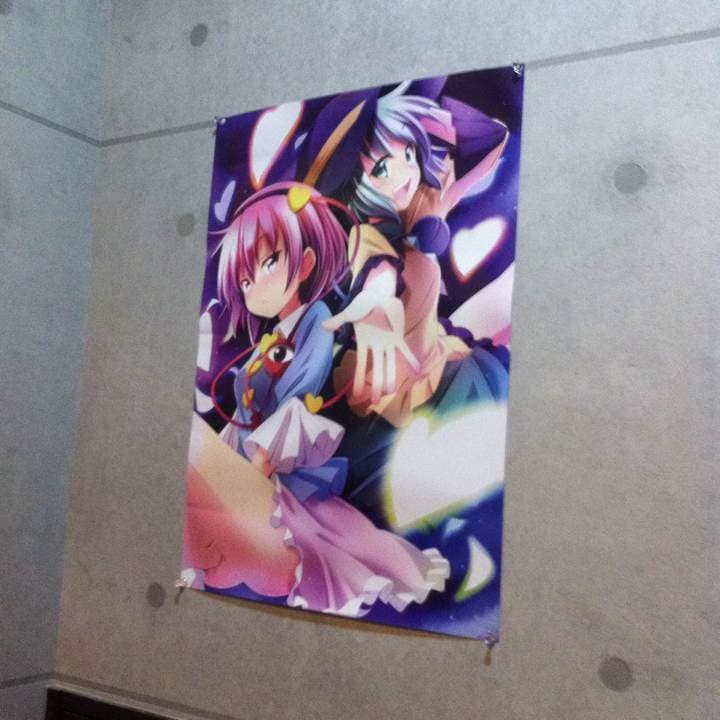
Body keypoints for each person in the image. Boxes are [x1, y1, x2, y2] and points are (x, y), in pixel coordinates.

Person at [183, 182, 449, 617]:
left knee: (326, 543)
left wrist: (257, 467)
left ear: (305, 262)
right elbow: (247, 404)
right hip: (250, 449)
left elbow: (299, 389)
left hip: (283, 459)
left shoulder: (317, 320)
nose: (254, 287)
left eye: (268, 263)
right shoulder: (273, 335)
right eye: (245, 280)